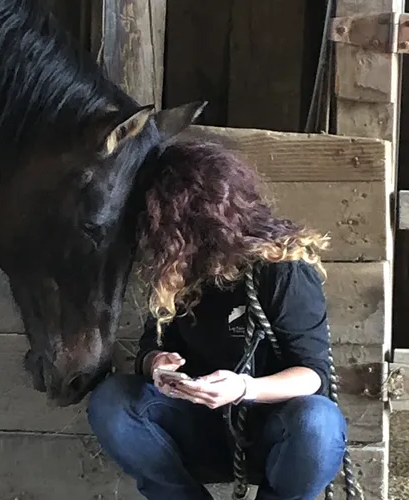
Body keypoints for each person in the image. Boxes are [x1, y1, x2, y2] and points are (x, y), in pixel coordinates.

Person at [87, 140, 347, 500]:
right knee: (112, 402)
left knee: (318, 423)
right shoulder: (179, 271)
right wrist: (157, 366)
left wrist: (244, 388)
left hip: (273, 431)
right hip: (200, 424)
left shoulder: (282, 268)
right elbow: (152, 346)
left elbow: (312, 374)